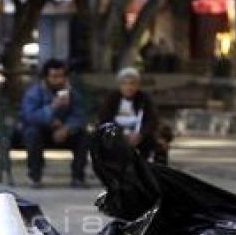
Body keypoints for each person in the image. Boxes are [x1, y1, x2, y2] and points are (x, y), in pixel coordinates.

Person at [18, 58, 88, 188]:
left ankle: (78, 177)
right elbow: (30, 116)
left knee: (83, 135)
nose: (59, 80)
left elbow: (79, 115)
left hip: (64, 132)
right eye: (54, 77)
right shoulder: (34, 93)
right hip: (41, 132)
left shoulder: (72, 93)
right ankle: (35, 176)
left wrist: (67, 128)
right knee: (32, 133)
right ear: (46, 78)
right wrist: (52, 108)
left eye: (61, 76)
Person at [98, 67, 167, 164]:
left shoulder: (144, 98)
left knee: (158, 144)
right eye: (125, 84)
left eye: (132, 83)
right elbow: (105, 119)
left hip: (140, 134)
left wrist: (140, 134)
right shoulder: (112, 98)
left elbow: (152, 119)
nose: (129, 87)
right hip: (117, 133)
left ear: (138, 85)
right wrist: (123, 133)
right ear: (120, 85)